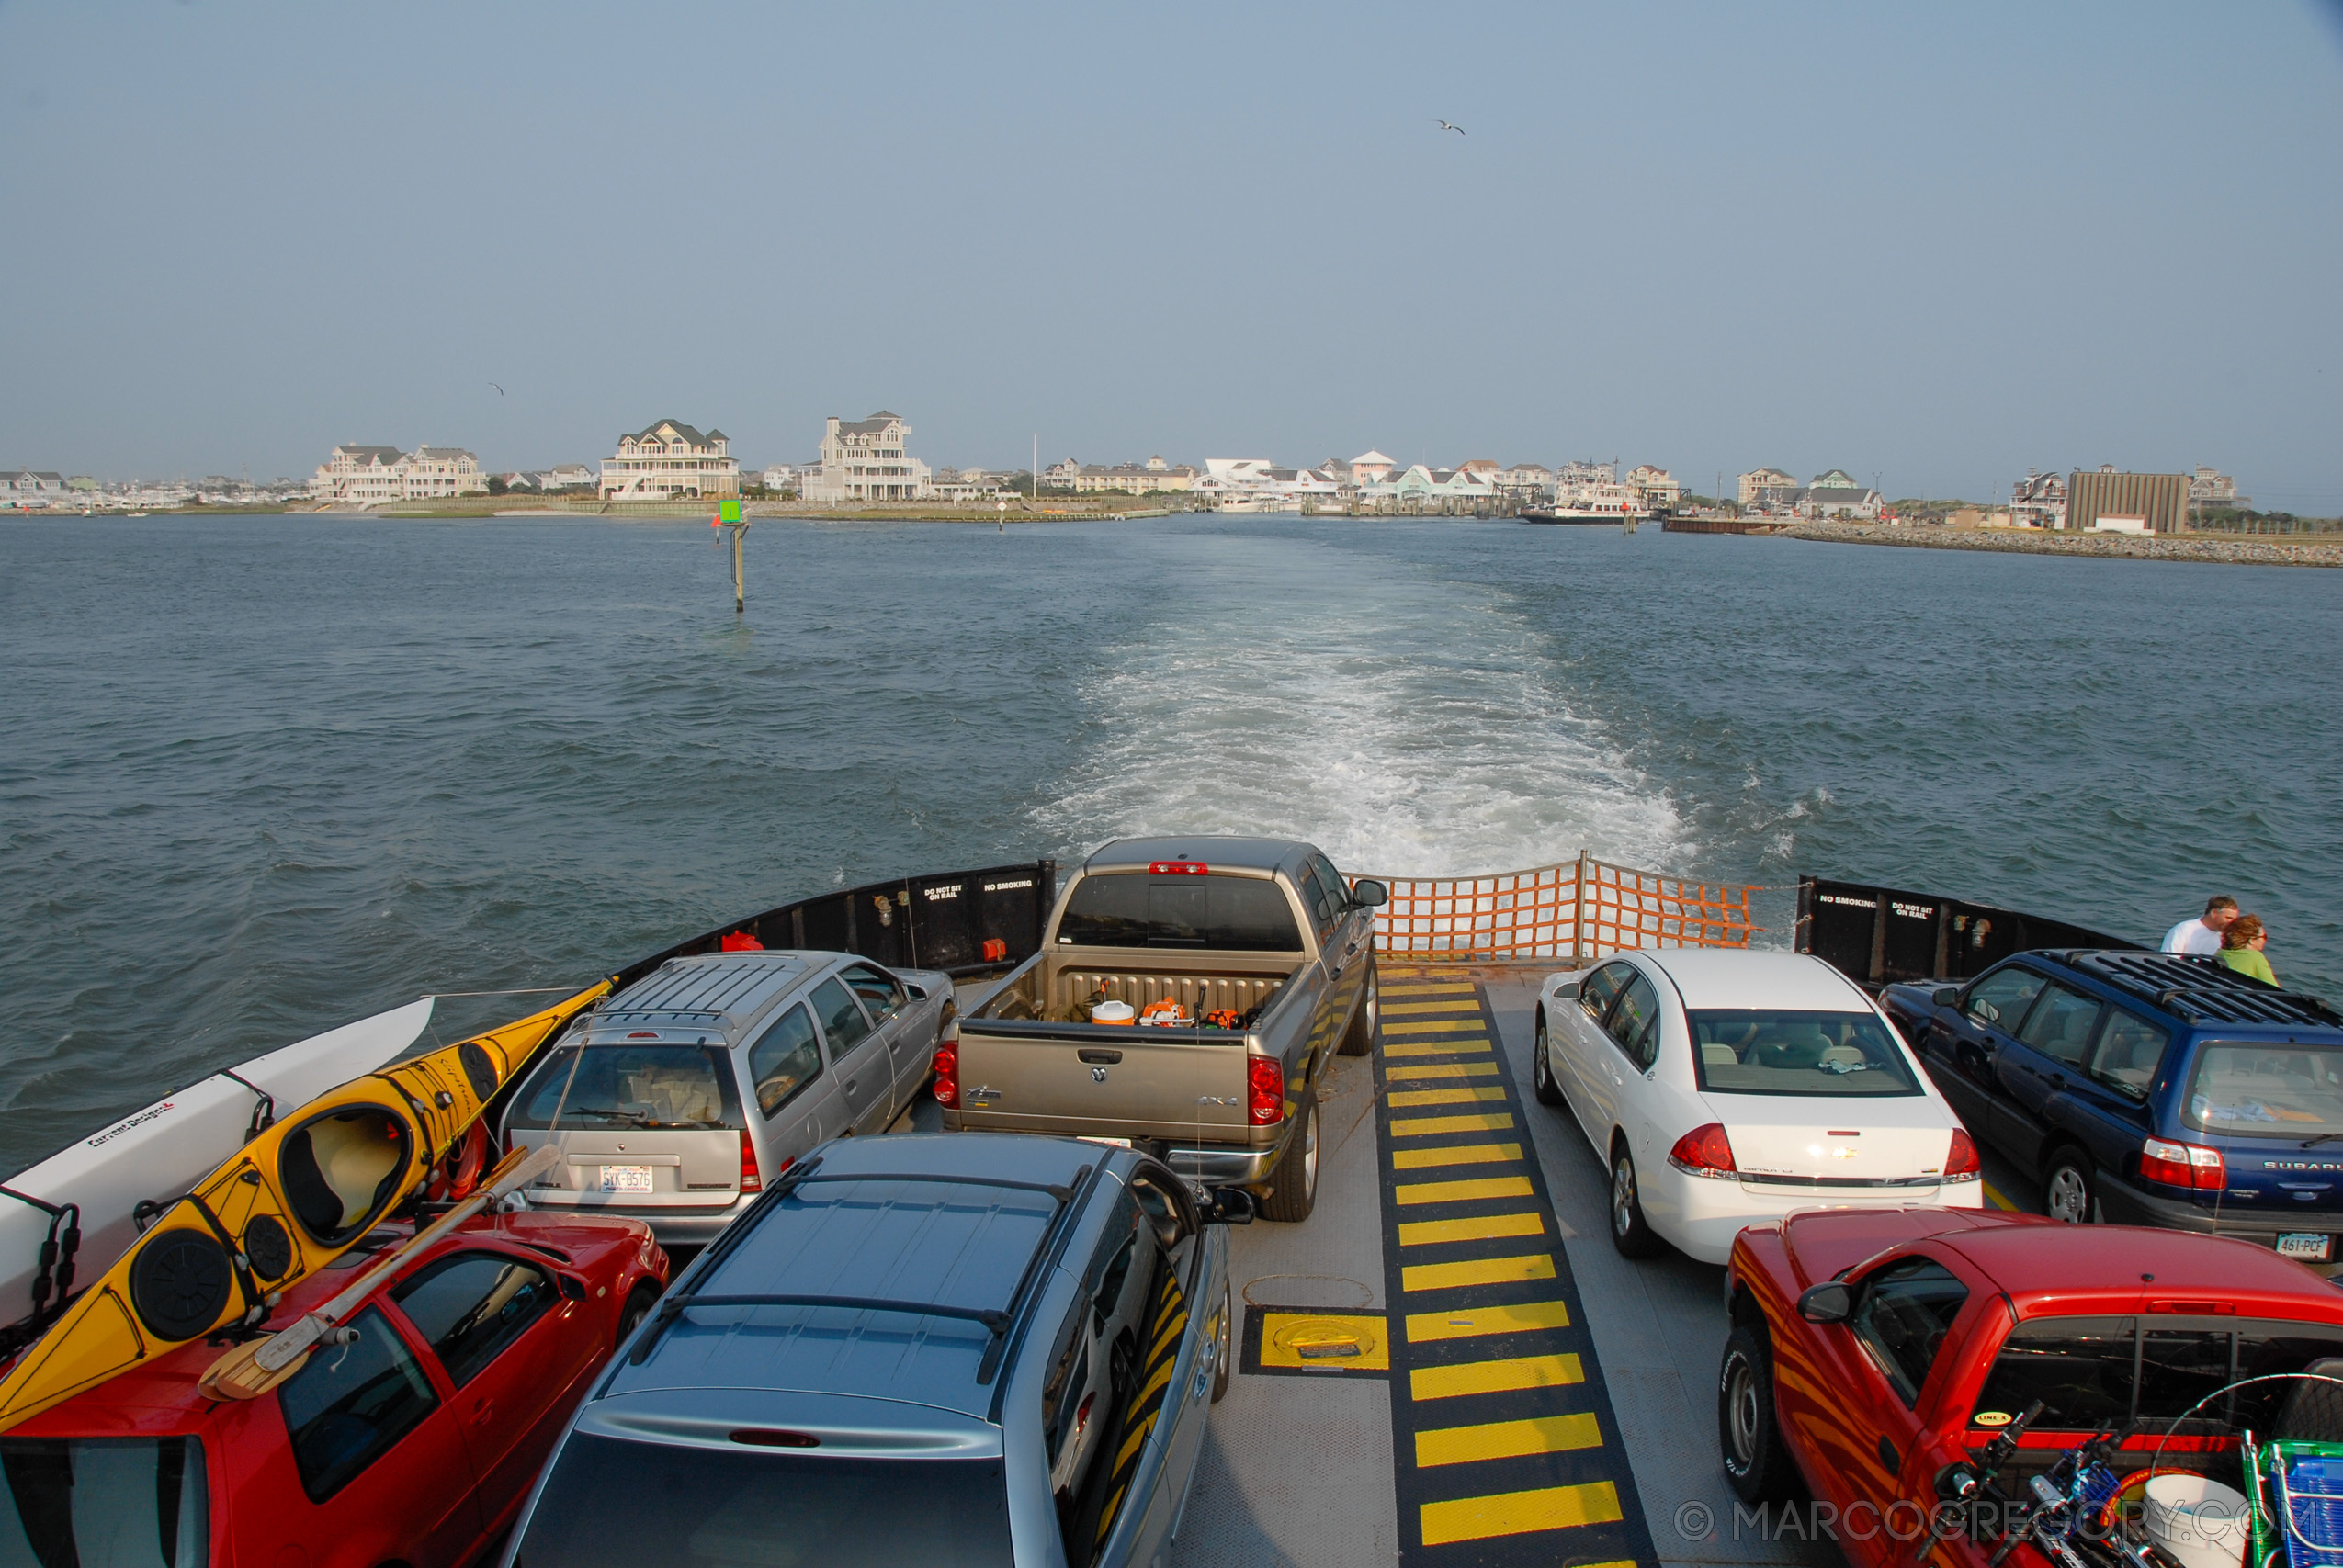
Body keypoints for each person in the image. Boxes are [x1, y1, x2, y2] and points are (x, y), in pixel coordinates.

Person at [2163, 896, 2238, 956]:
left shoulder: (2228, 937)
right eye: (2228, 918)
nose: (2232, 922)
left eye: (2234, 919)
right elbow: (2169, 958)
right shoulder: (2185, 929)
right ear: (2214, 913)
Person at [2219, 915, 2278, 986]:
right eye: (2264, 936)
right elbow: (2273, 988)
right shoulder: (2255, 957)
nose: (2265, 940)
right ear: (2252, 940)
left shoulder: (2221, 953)